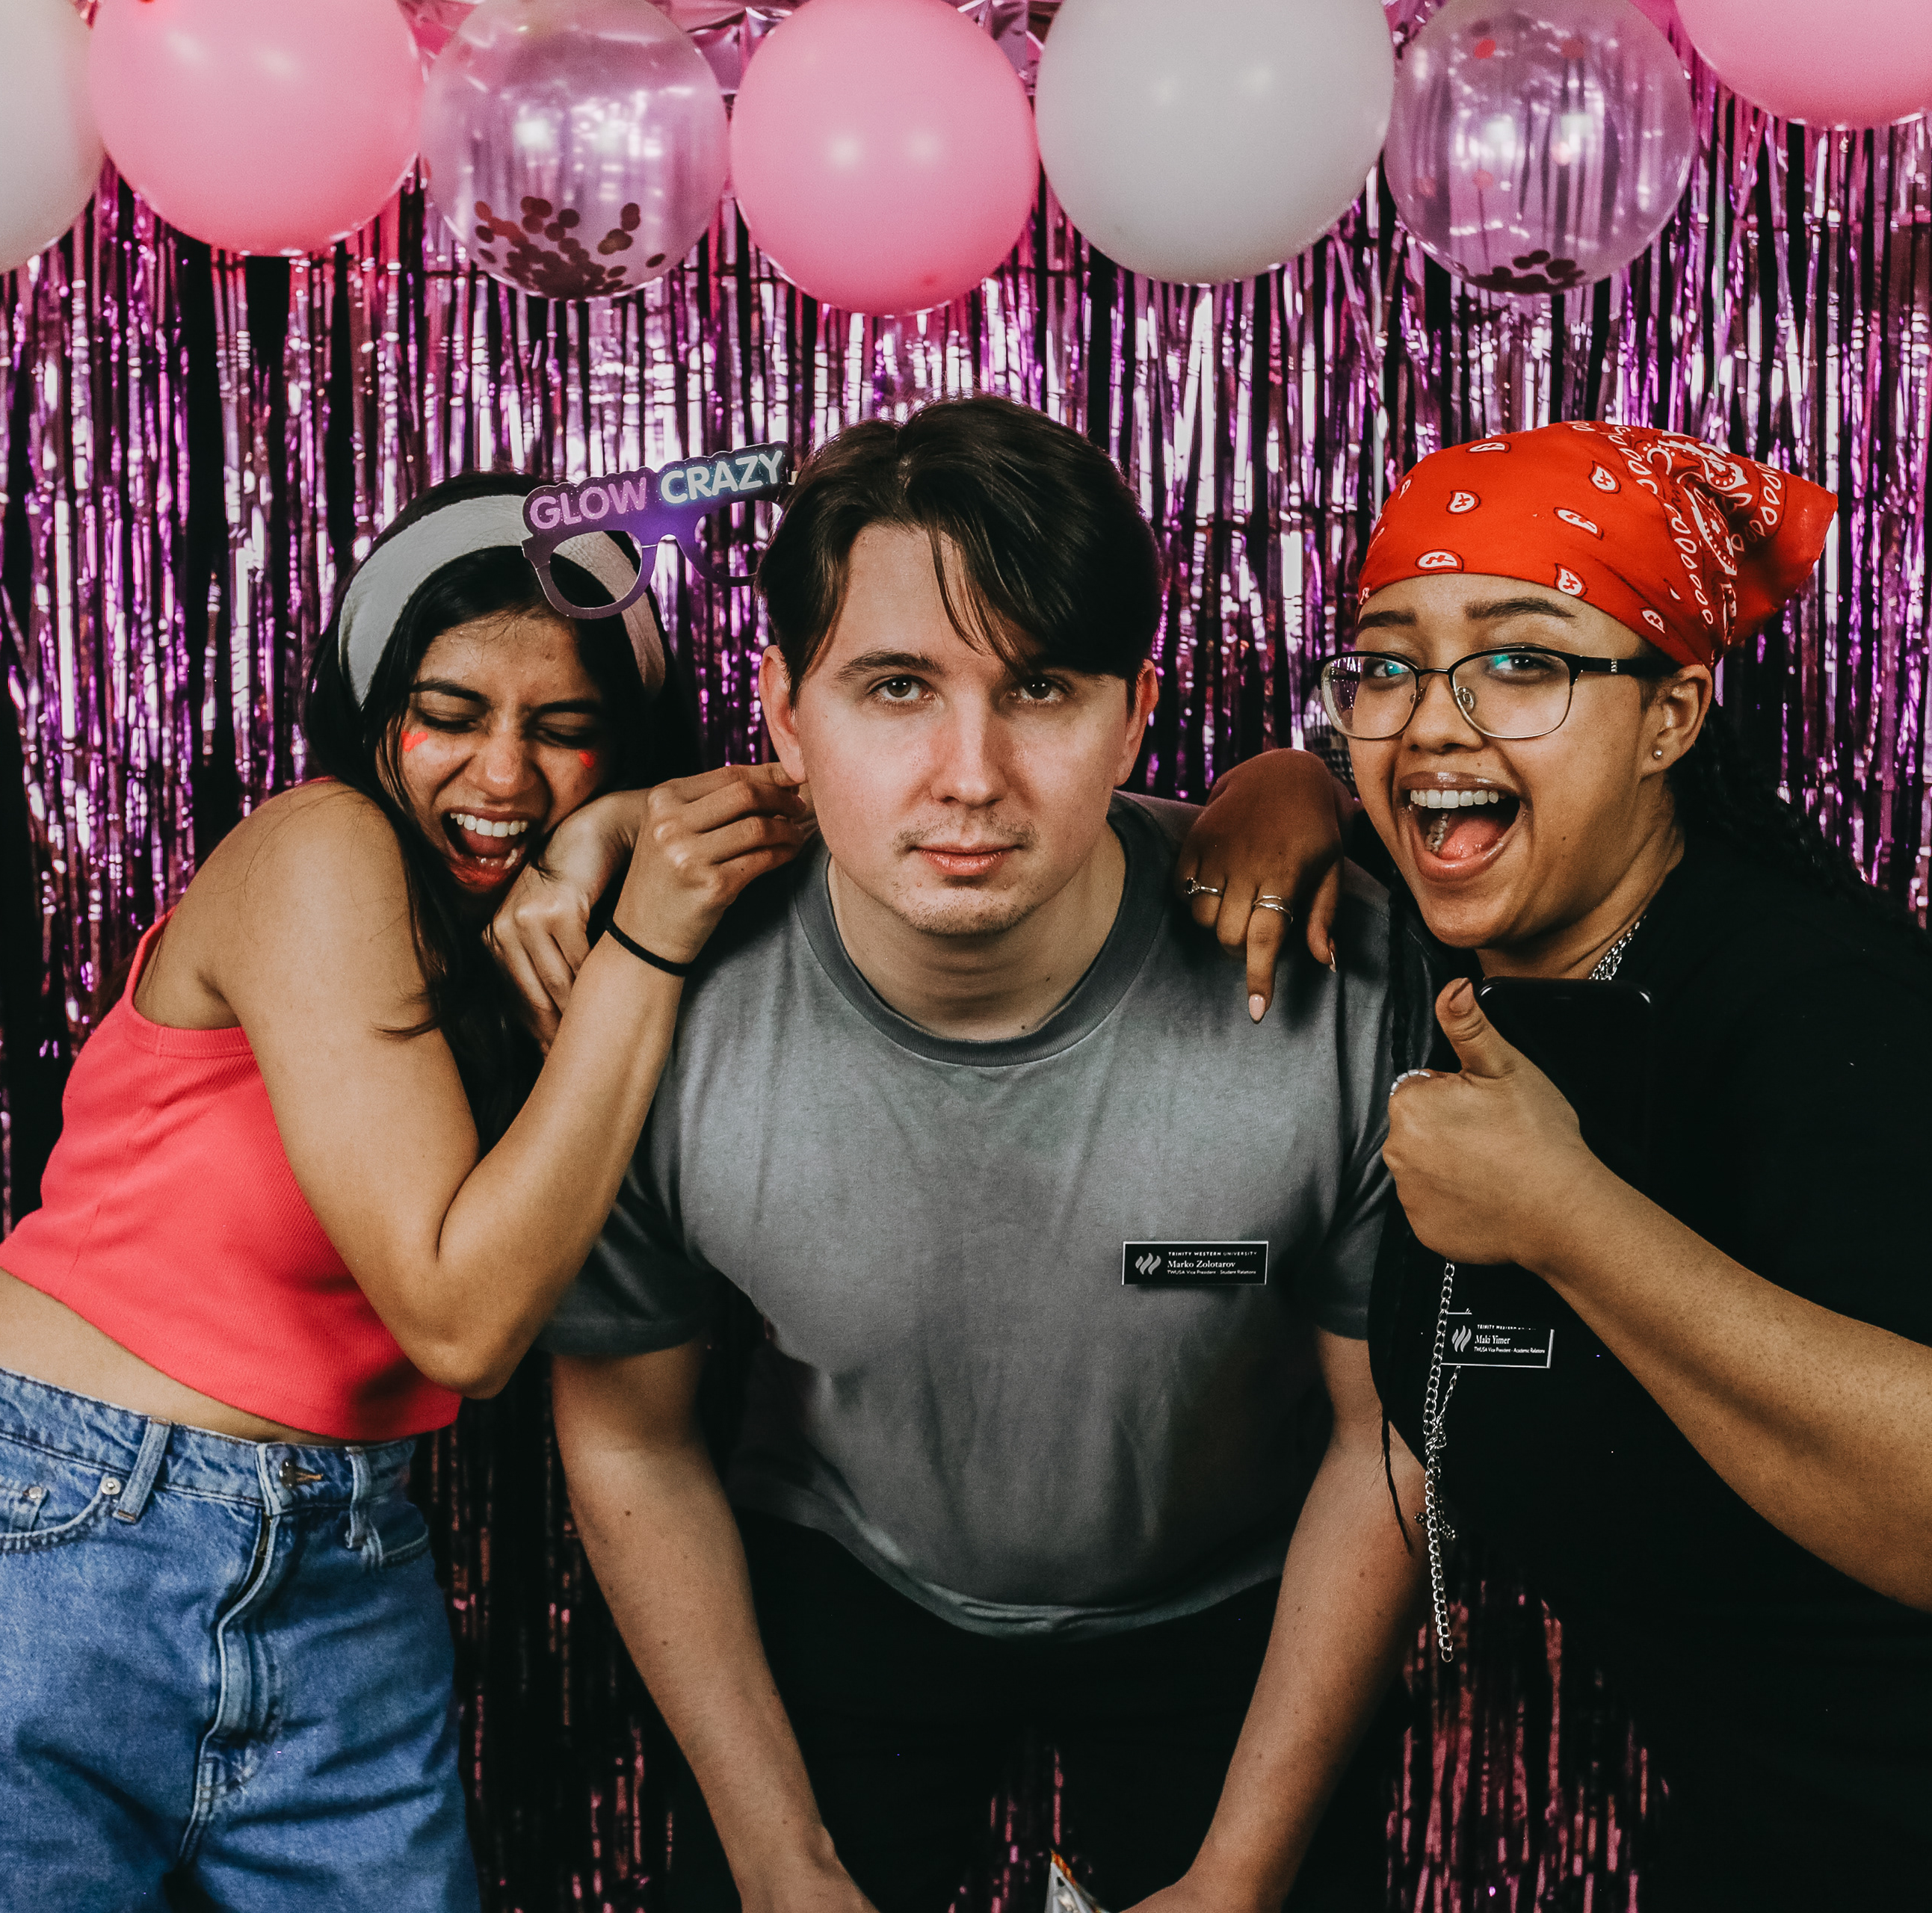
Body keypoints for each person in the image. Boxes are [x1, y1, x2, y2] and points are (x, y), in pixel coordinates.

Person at [1188, 421, 1932, 1909]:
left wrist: (1570, 1217)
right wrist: (1281, 786)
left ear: (1669, 719)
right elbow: (1391, 792)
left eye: (1521, 661)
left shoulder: (1807, 1001)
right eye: (1389, 668)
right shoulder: (1491, 937)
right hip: (1815, 1837)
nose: (1435, 724)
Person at [0, 472, 809, 1913]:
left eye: (565, 732)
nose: (503, 777)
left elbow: (853, 799)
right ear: (374, 706)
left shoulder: (527, 906)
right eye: (450, 714)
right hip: (35, 1531)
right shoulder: (321, 847)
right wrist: (647, 933)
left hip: (342, 1555)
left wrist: (608, 829)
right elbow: (461, 1320)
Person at [528, 397, 1422, 1913]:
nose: (970, 772)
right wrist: (778, 1860)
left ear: (1136, 714)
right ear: (784, 712)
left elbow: (1385, 1437)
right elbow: (631, 1437)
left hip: (1233, 1588)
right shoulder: (656, 1004)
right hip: (844, 1567)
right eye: (895, 687)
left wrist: (1240, 1875)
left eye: (1041, 687)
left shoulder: (1330, 979)